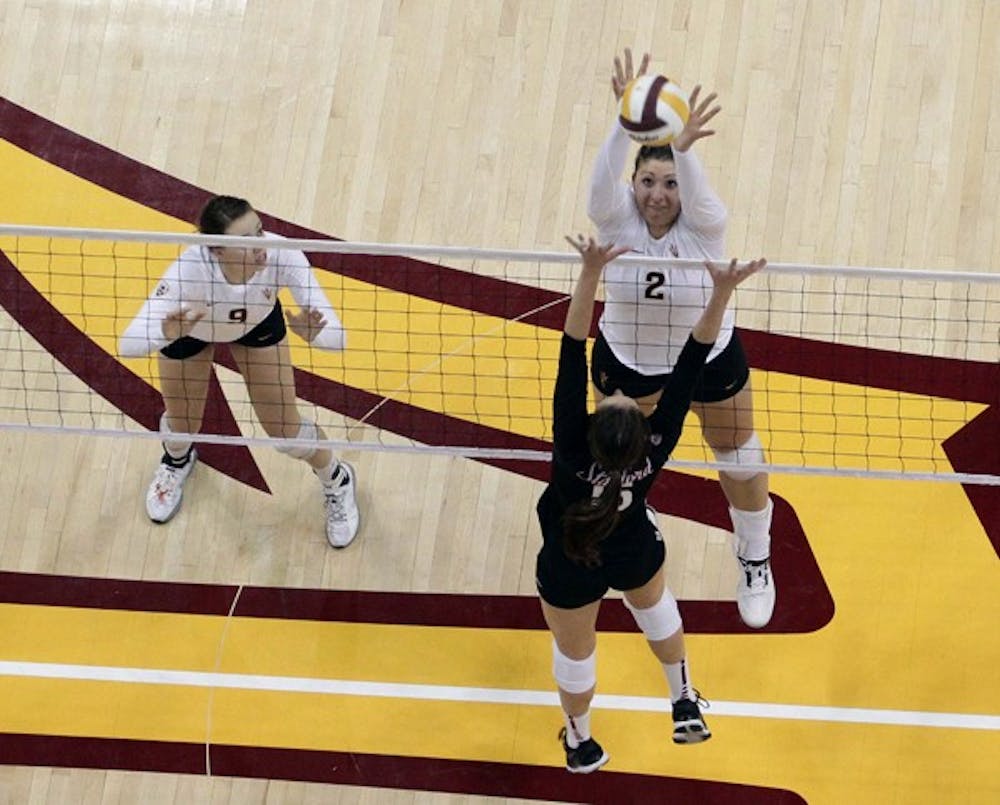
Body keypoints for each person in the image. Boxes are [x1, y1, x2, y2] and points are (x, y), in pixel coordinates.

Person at [537, 234, 765, 773]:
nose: (616, 393)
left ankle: (580, 743)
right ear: (639, 436)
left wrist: (590, 272)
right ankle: (682, 699)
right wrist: (721, 294)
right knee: (655, 607)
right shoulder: (656, 444)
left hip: (569, 560)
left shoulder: (571, 444)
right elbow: (691, 362)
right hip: (631, 546)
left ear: (594, 425)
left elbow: (572, 346)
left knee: (575, 653)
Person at [587, 49, 775, 628]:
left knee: (739, 456)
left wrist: (685, 150)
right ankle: (635, 519)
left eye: (670, 183)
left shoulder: (705, 225)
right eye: (647, 181)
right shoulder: (616, 220)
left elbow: (697, 192)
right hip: (630, 364)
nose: (658, 194)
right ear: (633, 184)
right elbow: (599, 189)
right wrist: (623, 125)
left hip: (707, 358)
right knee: (618, 460)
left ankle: (755, 554)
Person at [119, 195, 360, 548]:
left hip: (256, 326)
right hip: (189, 331)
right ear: (217, 250)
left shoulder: (283, 255)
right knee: (182, 426)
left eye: (259, 231)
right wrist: (162, 334)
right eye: (246, 241)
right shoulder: (190, 270)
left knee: (286, 432)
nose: (260, 245)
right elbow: (127, 343)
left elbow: (339, 337)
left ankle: (337, 479)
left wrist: (317, 336)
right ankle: (176, 461)